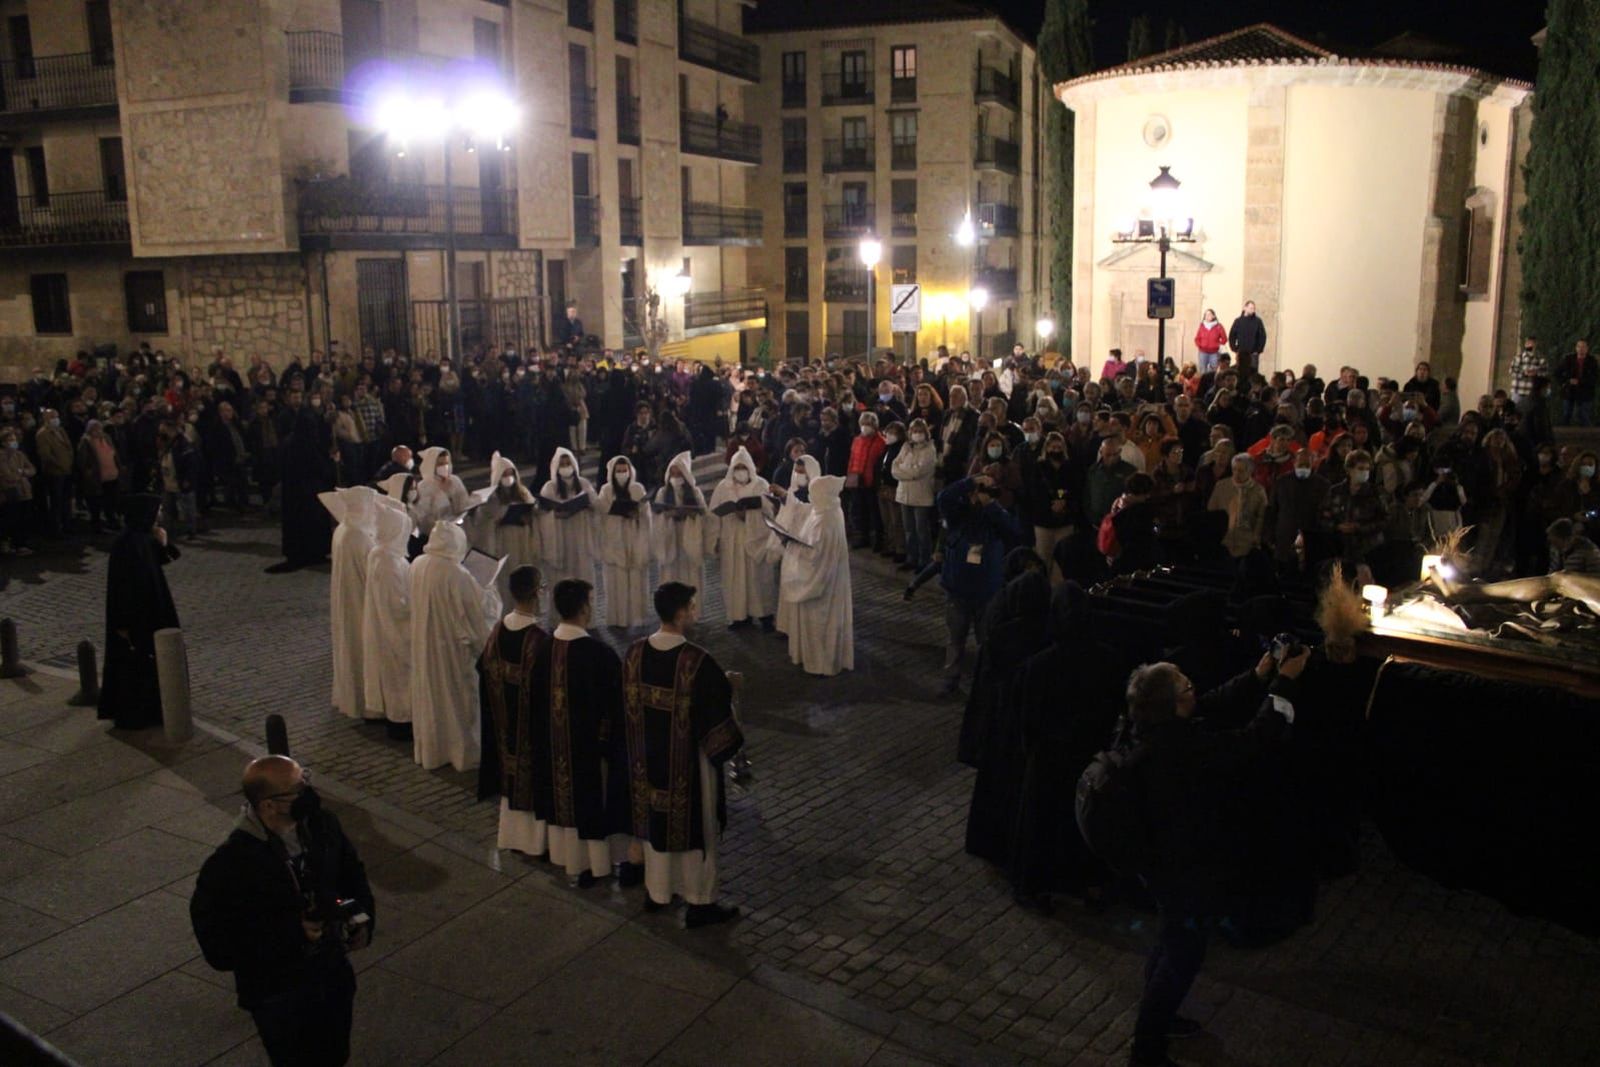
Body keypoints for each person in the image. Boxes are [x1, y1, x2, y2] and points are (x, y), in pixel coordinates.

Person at [1122, 651, 1307, 1067]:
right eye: (1186, 687)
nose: (1194, 689)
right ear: (1173, 704)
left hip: (1158, 861)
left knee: (1171, 939)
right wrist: (1285, 685)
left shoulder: (1145, 728)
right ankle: (1146, 1050)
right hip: (1183, 867)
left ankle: (1161, 1018)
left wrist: (1258, 675)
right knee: (1182, 956)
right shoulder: (1184, 751)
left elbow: (1211, 703)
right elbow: (1255, 739)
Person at [190, 756, 374, 1067]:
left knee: (335, 1054)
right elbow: (218, 947)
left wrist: (362, 918)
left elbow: (351, 873)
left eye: (306, 780)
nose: (309, 793)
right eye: (298, 789)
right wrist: (292, 933)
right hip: (278, 991)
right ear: (268, 806)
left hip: (331, 972)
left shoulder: (322, 825)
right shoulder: (230, 865)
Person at [619, 583, 744, 926]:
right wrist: (729, 688)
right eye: (692, 607)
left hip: (646, 765)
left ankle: (658, 893)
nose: (695, 612)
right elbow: (717, 721)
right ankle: (701, 903)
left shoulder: (634, 653)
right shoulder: (697, 662)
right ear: (680, 613)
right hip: (688, 769)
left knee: (655, 830)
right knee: (695, 830)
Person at [408, 521, 501, 772]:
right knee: (459, 701)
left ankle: (433, 749)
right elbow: (477, 617)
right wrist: (489, 590)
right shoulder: (456, 574)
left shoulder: (418, 563)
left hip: (427, 646)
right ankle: (463, 753)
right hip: (451, 651)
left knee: (433, 697)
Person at [98, 494, 180, 730]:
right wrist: (123, 624)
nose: (160, 515)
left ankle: (155, 710)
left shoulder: (143, 538)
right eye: (158, 511)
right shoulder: (127, 544)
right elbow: (122, 587)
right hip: (137, 618)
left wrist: (162, 542)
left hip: (152, 611)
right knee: (135, 667)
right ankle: (136, 714)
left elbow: (160, 561)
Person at [937, 473, 1022, 691]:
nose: (983, 491)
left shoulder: (997, 514)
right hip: (958, 587)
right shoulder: (958, 512)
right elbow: (943, 499)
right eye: (980, 488)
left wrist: (991, 505)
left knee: (987, 640)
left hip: (987, 589)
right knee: (955, 639)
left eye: (989, 487)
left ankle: (986, 680)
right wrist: (970, 482)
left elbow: (1013, 531)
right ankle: (951, 679)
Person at [779, 473, 854, 676]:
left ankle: (821, 665)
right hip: (831, 580)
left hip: (821, 583)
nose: (811, 498)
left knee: (820, 627)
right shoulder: (829, 511)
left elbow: (814, 555)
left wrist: (789, 544)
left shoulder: (825, 520)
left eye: (814, 494)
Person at [322, 486, 382, 721]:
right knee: (362, 651)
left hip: (350, 599)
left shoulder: (344, 529)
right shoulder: (357, 535)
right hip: (360, 602)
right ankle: (367, 703)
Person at [708, 447, 777, 630]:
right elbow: (713, 514)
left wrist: (749, 515)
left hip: (755, 536)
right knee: (735, 578)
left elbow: (770, 510)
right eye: (737, 467)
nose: (740, 470)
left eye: (743, 466)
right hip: (731, 539)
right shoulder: (723, 487)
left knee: (758, 578)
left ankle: (764, 615)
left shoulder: (761, 484)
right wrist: (714, 539)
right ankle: (739, 616)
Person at [464, 451, 540, 614]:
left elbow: (533, 509)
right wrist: (497, 518)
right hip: (503, 542)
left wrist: (530, 515)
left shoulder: (523, 492)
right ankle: (508, 612)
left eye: (511, 473)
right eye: (504, 474)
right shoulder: (491, 498)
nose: (508, 477)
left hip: (522, 540)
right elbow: (482, 522)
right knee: (507, 578)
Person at [362, 504, 414, 739]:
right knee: (400, 678)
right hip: (394, 630)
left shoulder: (382, 554)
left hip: (385, 627)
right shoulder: (388, 562)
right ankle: (402, 721)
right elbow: (397, 606)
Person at [270, 391, 336, 573]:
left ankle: (311, 553)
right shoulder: (303, 444)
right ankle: (308, 553)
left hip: (298, 492)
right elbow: (317, 466)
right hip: (305, 492)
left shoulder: (291, 442)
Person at [596, 454, 653, 629]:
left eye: (625, 470)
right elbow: (600, 515)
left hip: (634, 538)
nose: (622, 473)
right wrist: (617, 514)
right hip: (615, 540)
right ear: (612, 473)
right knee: (616, 581)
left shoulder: (637, 489)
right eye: (619, 471)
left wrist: (638, 516)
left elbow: (646, 514)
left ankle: (638, 617)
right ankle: (618, 618)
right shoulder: (606, 490)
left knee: (636, 580)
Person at [536, 446, 599, 591]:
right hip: (560, 540)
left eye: (568, 464)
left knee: (582, 578)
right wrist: (554, 515)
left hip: (580, 539)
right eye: (562, 464)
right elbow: (541, 513)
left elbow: (596, 506)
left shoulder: (583, 484)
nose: (566, 467)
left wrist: (588, 505)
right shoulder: (550, 487)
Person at [652, 451, 713, 589]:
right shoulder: (662, 492)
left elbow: (704, 515)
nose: (676, 477)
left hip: (689, 535)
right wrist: (667, 515)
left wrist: (692, 515)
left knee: (690, 577)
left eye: (679, 474)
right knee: (671, 576)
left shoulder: (695, 492)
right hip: (670, 536)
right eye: (673, 474)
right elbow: (656, 516)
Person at [892, 417, 938, 573]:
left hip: (922, 496)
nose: (917, 434)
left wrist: (904, 471)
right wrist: (906, 471)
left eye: (920, 431)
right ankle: (911, 558)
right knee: (909, 529)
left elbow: (918, 472)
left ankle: (924, 561)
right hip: (904, 494)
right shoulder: (905, 447)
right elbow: (894, 467)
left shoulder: (929, 450)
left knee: (921, 530)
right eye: (914, 431)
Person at [413, 446, 470, 531]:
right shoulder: (423, 486)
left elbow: (463, 506)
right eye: (440, 464)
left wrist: (450, 493)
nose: (444, 467)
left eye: (446, 463)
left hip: (457, 528)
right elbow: (423, 517)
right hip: (435, 532)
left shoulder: (455, 480)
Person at [1558, 339, 1597, 426]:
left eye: (1583, 347)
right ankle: (1564, 436)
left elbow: (1594, 377)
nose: (1581, 349)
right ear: (1576, 348)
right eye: (1579, 346)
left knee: (1584, 415)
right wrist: (1566, 382)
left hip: (1585, 391)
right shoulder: (1568, 359)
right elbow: (1558, 373)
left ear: (1587, 349)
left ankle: (1588, 436)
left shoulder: (1592, 361)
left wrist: (1580, 382)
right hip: (1569, 390)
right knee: (1566, 414)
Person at [1227, 301, 1267, 376]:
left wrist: (1258, 350)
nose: (1253, 310)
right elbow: (1232, 336)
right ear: (1245, 308)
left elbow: (1262, 336)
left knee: (1253, 374)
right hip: (1241, 352)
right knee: (1240, 372)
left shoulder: (1258, 321)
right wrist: (1234, 349)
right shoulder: (1238, 321)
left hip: (1253, 353)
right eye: (1251, 308)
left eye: (1253, 308)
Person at [1193, 310, 1226, 374]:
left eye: (1209, 314)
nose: (1208, 316)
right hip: (1203, 352)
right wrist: (1200, 345)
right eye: (1206, 315)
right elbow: (1197, 338)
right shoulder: (1202, 326)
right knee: (1202, 370)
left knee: (1213, 370)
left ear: (1213, 316)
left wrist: (1217, 344)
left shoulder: (1219, 326)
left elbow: (1224, 339)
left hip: (1214, 353)